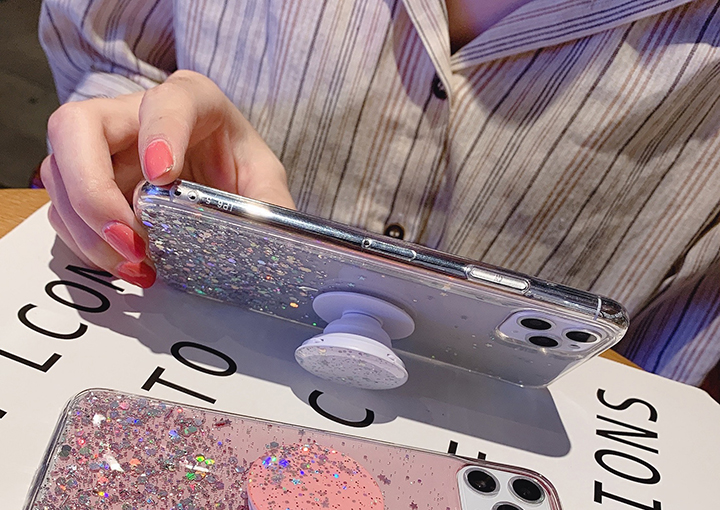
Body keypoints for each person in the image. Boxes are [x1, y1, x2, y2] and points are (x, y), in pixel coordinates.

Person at [38, 0, 720, 386]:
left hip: (499, 479)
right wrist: (130, 157)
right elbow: (111, 47)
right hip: (159, 354)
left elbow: (668, 382)